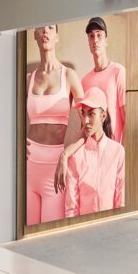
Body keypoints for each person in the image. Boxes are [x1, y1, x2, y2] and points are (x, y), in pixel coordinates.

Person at [54, 17, 127, 193]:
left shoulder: (118, 72)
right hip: (90, 156)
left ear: (106, 40)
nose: (95, 40)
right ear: (88, 41)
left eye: (99, 35)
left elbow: (127, 119)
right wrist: (65, 153)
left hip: (112, 155)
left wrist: (122, 155)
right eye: (91, 36)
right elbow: (85, 126)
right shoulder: (84, 81)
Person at [26, 24, 84, 225]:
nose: (45, 32)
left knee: (49, 232)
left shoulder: (69, 76)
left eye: (50, 28)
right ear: (35, 35)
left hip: (55, 169)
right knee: (28, 233)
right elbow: (6, 118)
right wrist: (16, 143)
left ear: (57, 36)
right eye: (41, 28)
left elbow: (89, 126)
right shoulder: (28, 79)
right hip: (29, 167)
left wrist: (66, 154)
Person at [65, 87, 125, 217]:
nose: (85, 120)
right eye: (83, 114)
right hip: (84, 227)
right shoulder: (76, 156)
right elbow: (71, 208)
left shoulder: (118, 152)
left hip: (111, 225)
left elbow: (120, 200)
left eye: (91, 114)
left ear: (103, 116)